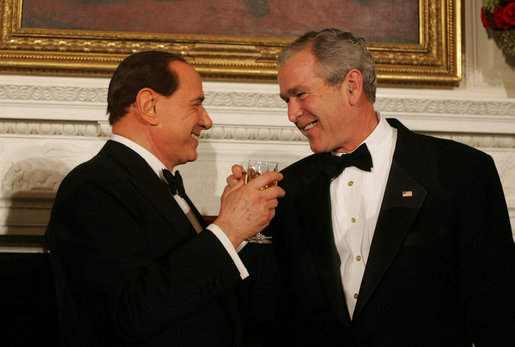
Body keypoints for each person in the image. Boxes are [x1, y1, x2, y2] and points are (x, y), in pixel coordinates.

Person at [231, 29, 515, 346]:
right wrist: (240, 229)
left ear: (352, 86)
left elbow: (498, 311)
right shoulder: (288, 188)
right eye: (287, 100)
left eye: (301, 95)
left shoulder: (461, 172)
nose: (291, 114)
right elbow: (264, 314)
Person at [45, 51, 284, 346]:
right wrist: (228, 229)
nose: (206, 121)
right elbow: (128, 313)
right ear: (149, 106)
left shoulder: (156, 183)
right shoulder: (92, 187)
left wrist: (243, 230)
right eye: (196, 105)